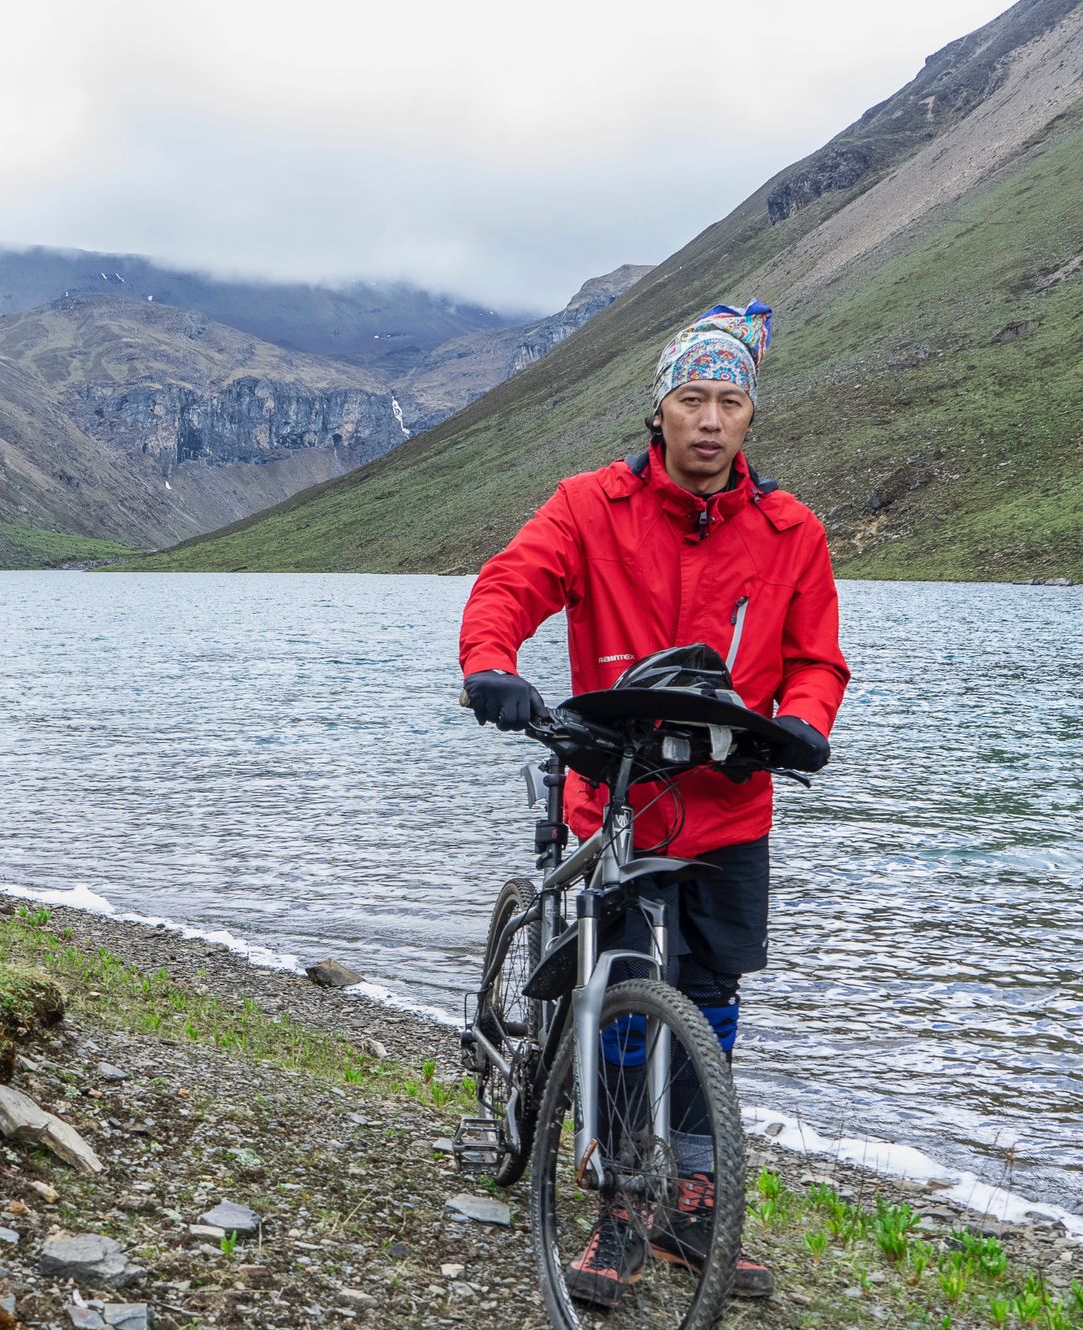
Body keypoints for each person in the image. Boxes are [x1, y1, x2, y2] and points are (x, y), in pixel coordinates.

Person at [458, 300, 848, 1303]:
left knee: (711, 999)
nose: (709, 419)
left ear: (750, 417)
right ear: (659, 410)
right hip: (617, 793)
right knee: (621, 986)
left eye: (728, 400)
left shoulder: (789, 530)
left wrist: (805, 718)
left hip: (727, 801)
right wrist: (490, 662)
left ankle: (689, 1196)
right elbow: (511, 582)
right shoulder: (590, 506)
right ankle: (619, 1200)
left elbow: (813, 657)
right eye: (691, 398)